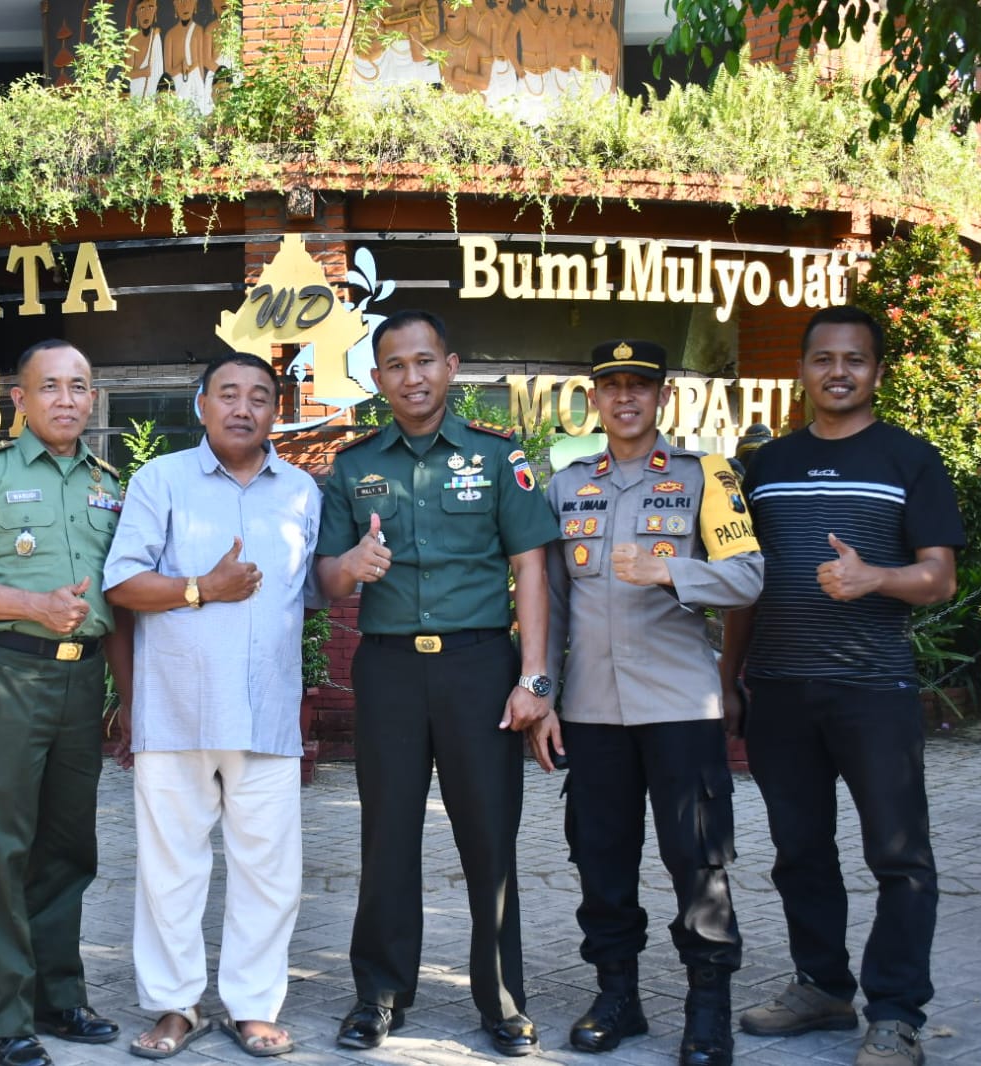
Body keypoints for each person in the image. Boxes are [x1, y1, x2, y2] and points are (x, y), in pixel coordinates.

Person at [721, 305, 963, 1066]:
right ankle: (822, 986)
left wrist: (873, 578)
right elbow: (743, 584)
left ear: (875, 372)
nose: (837, 372)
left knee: (898, 855)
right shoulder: (768, 467)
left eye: (853, 360)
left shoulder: (909, 459)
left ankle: (894, 1013)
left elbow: (939, 577)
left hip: (871, 689)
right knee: (799, 851)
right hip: (780, 691)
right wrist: (730, 677)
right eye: (822, 358)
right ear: (801, 369)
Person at [316, 309, 560, 1056]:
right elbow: (325, 578)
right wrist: (350, 568)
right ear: (377, 378)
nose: (411, 377)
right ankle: (379, 995)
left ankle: (501, 1003)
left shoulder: (497, 458)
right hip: (388, 666)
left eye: (424, 362)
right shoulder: (353, 467)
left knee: (488, 837)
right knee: (386, 835)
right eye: (394, 365)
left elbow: (531, 569)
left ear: (450, 367)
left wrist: (535, 678)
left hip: (479, 668)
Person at [541, 340, 763, 1066]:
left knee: (696, 860)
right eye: (613, 387)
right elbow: (544, 603)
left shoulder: (707, 476)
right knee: (600, 860)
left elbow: (750, 578)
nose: (626, 398)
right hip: (592, 709)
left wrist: (672, 570)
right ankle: (617, 996)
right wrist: (541, 695)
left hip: (680, 706)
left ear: (662, 396)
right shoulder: (566, 485)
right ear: (594, 399)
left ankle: (707, 1010)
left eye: (640, 386)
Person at [103, 352, 321, 1059]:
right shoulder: (158, 480)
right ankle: (174, 1007)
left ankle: (253, 1006)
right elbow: (122, 584)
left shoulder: (301, 491)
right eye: (227, 393)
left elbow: (309, 590)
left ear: (274, 411)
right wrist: (201, 587)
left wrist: (350, 570)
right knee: (171, 871)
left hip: (266, 713)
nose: (242, 407)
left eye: (259, 396)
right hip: (177, 712)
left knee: (268, 872)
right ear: (200, 404)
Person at [0, 339, 134, 1066]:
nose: (68, 400)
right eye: (51, 387)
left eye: (80, 385)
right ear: (20, 398)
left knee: (68, 849)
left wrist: (127, 698)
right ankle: (4, 1018)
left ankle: (59, 997)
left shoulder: (109, 483)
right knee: (3, 851)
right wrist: (30, 605)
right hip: (10, 673)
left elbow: (124, 600)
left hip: (83, 684)